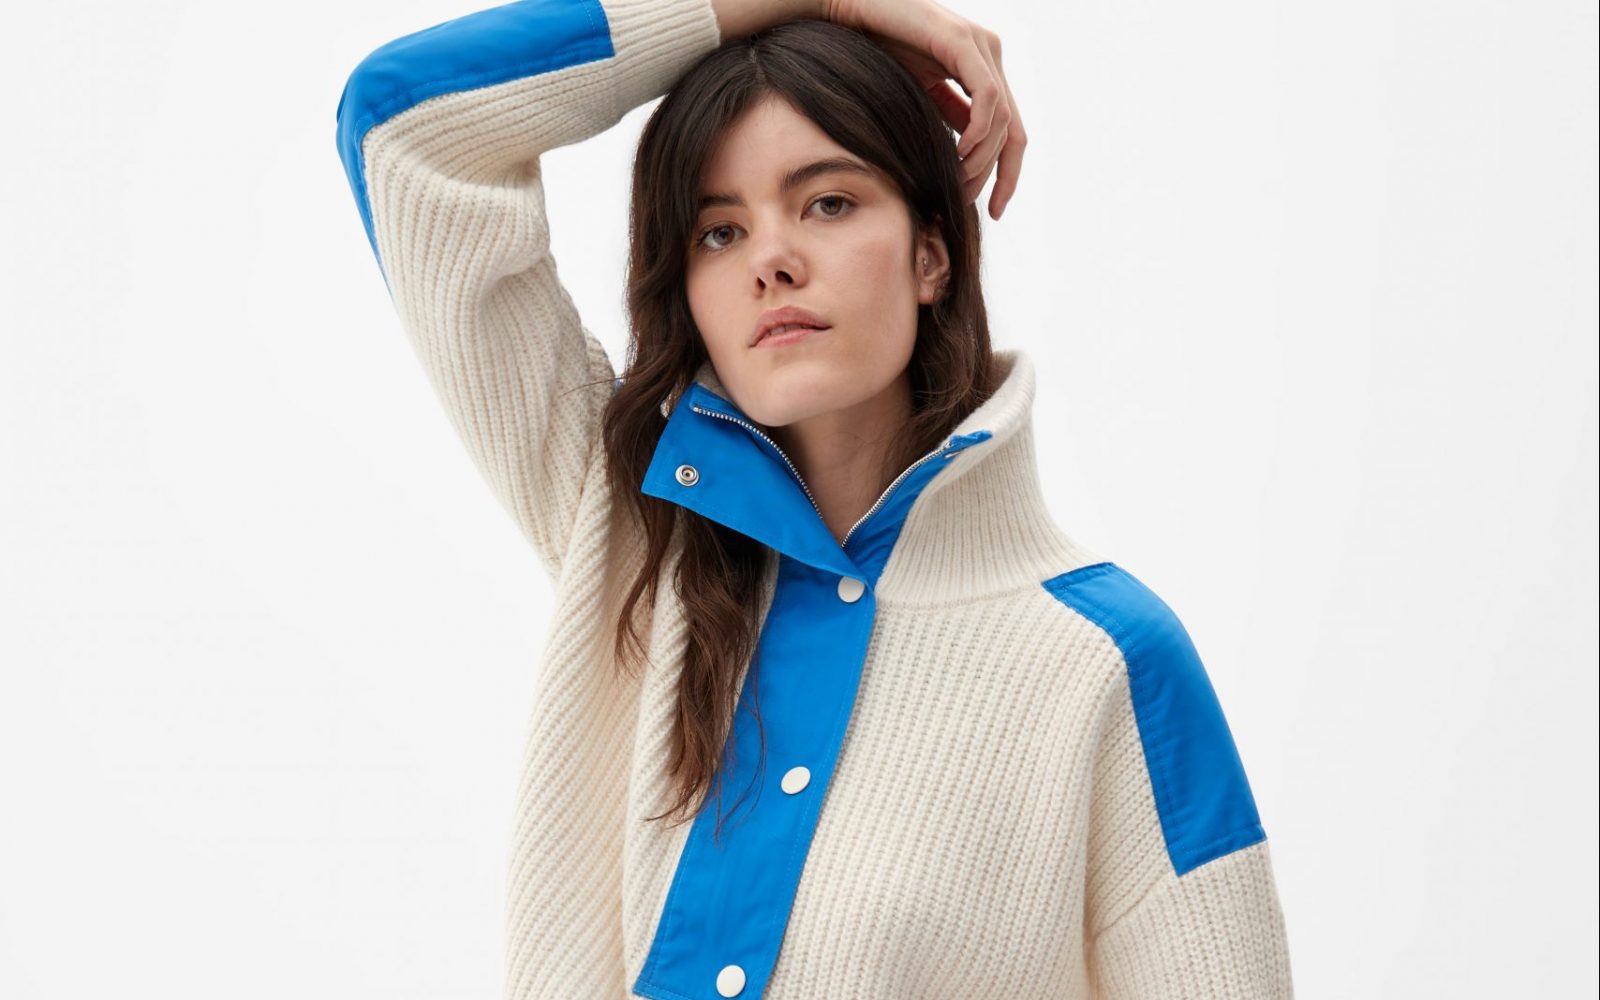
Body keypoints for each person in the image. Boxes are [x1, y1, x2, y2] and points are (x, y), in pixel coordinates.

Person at [334, 0, 1295, 996]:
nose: (771, 260)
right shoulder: (626, 531)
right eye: (719, 231)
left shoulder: (1109, 662)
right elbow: (405, 126)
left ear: (932, 255)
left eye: (828, 203)